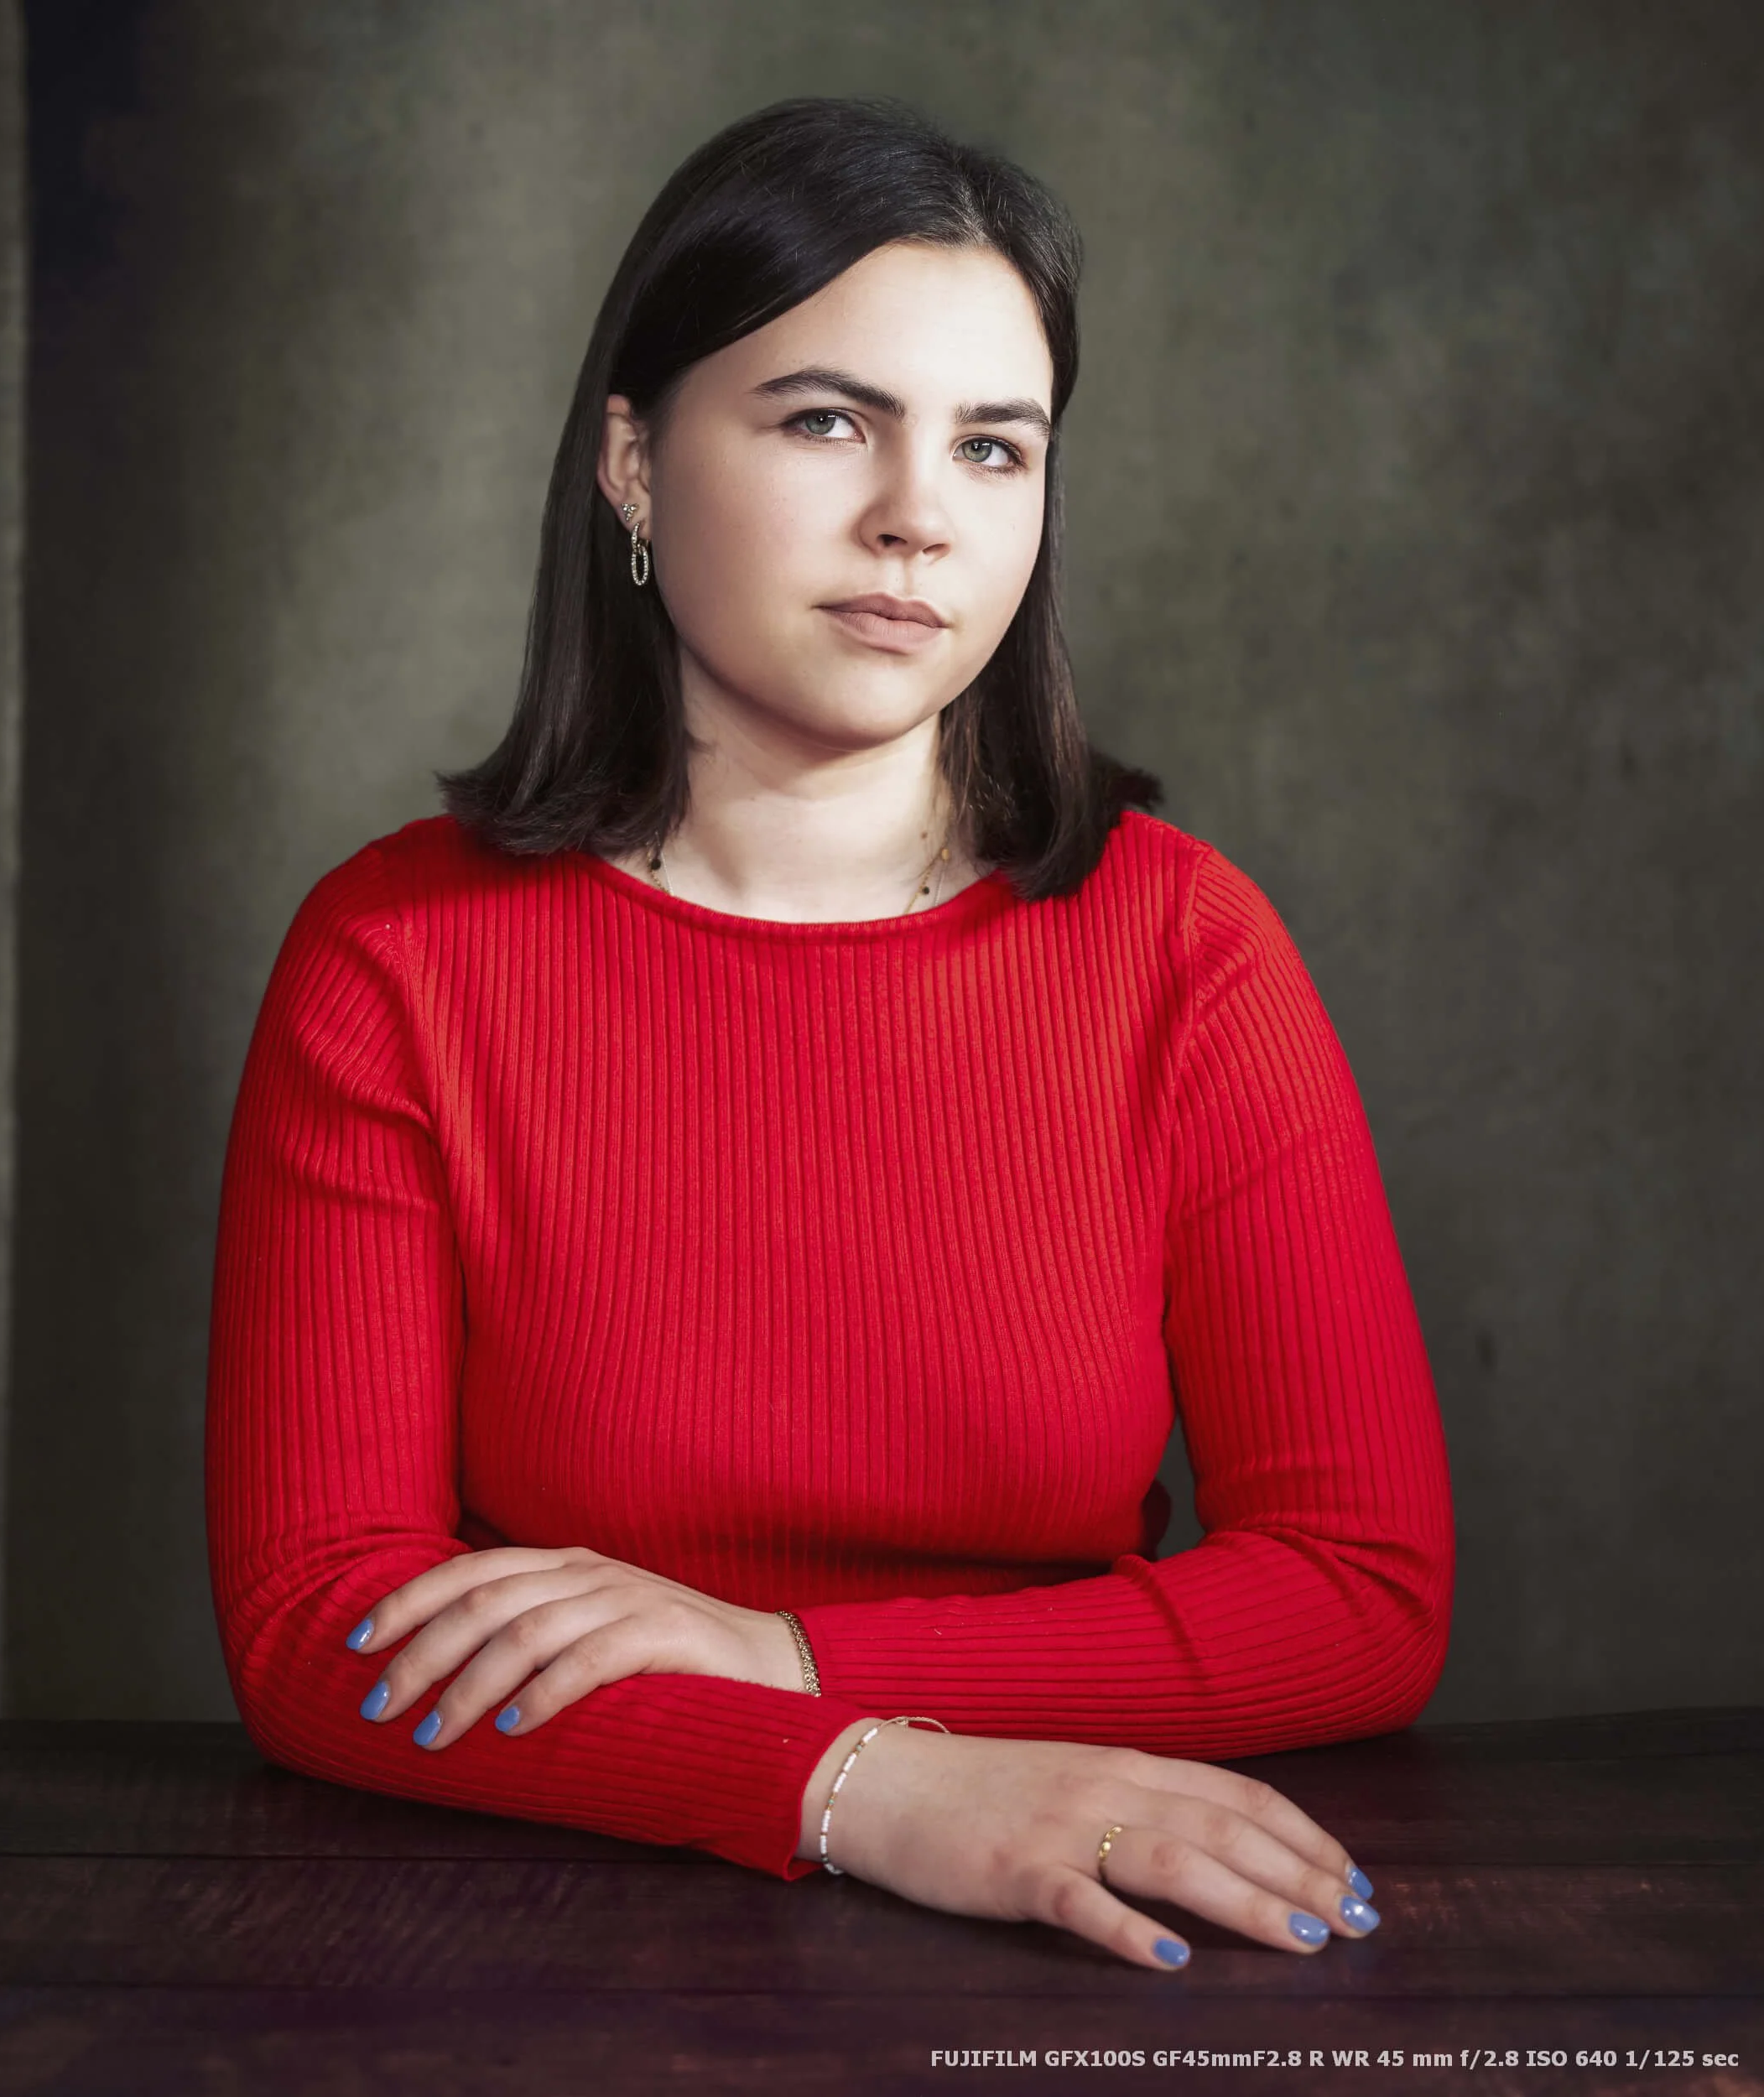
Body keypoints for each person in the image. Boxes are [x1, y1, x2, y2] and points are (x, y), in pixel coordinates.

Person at [204, 96, 1454, 1975]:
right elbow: (325, 1622)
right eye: (822, 419)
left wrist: (791, 1658)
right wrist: (861, 1782)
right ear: (628, 461)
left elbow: (1357, 1591)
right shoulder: (395, 956)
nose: (916, 515)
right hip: (546, 1949)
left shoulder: (1182, 949)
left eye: (991, 445)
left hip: (1094, 1935)